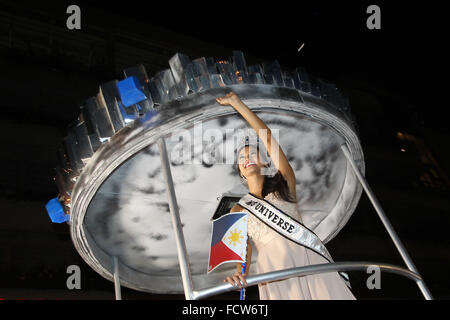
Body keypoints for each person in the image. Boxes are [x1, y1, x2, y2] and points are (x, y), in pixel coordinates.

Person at [216, 91, 356, 300]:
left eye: (253, 153)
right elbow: (243, 250)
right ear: (241, 172)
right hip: (274, 269)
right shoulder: (238, 209)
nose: (248, 158)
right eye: (242, 158)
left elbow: (267, 137)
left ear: (265, 162)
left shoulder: (285, 182)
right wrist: (240, 274)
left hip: (306, 256)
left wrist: (238, 104)